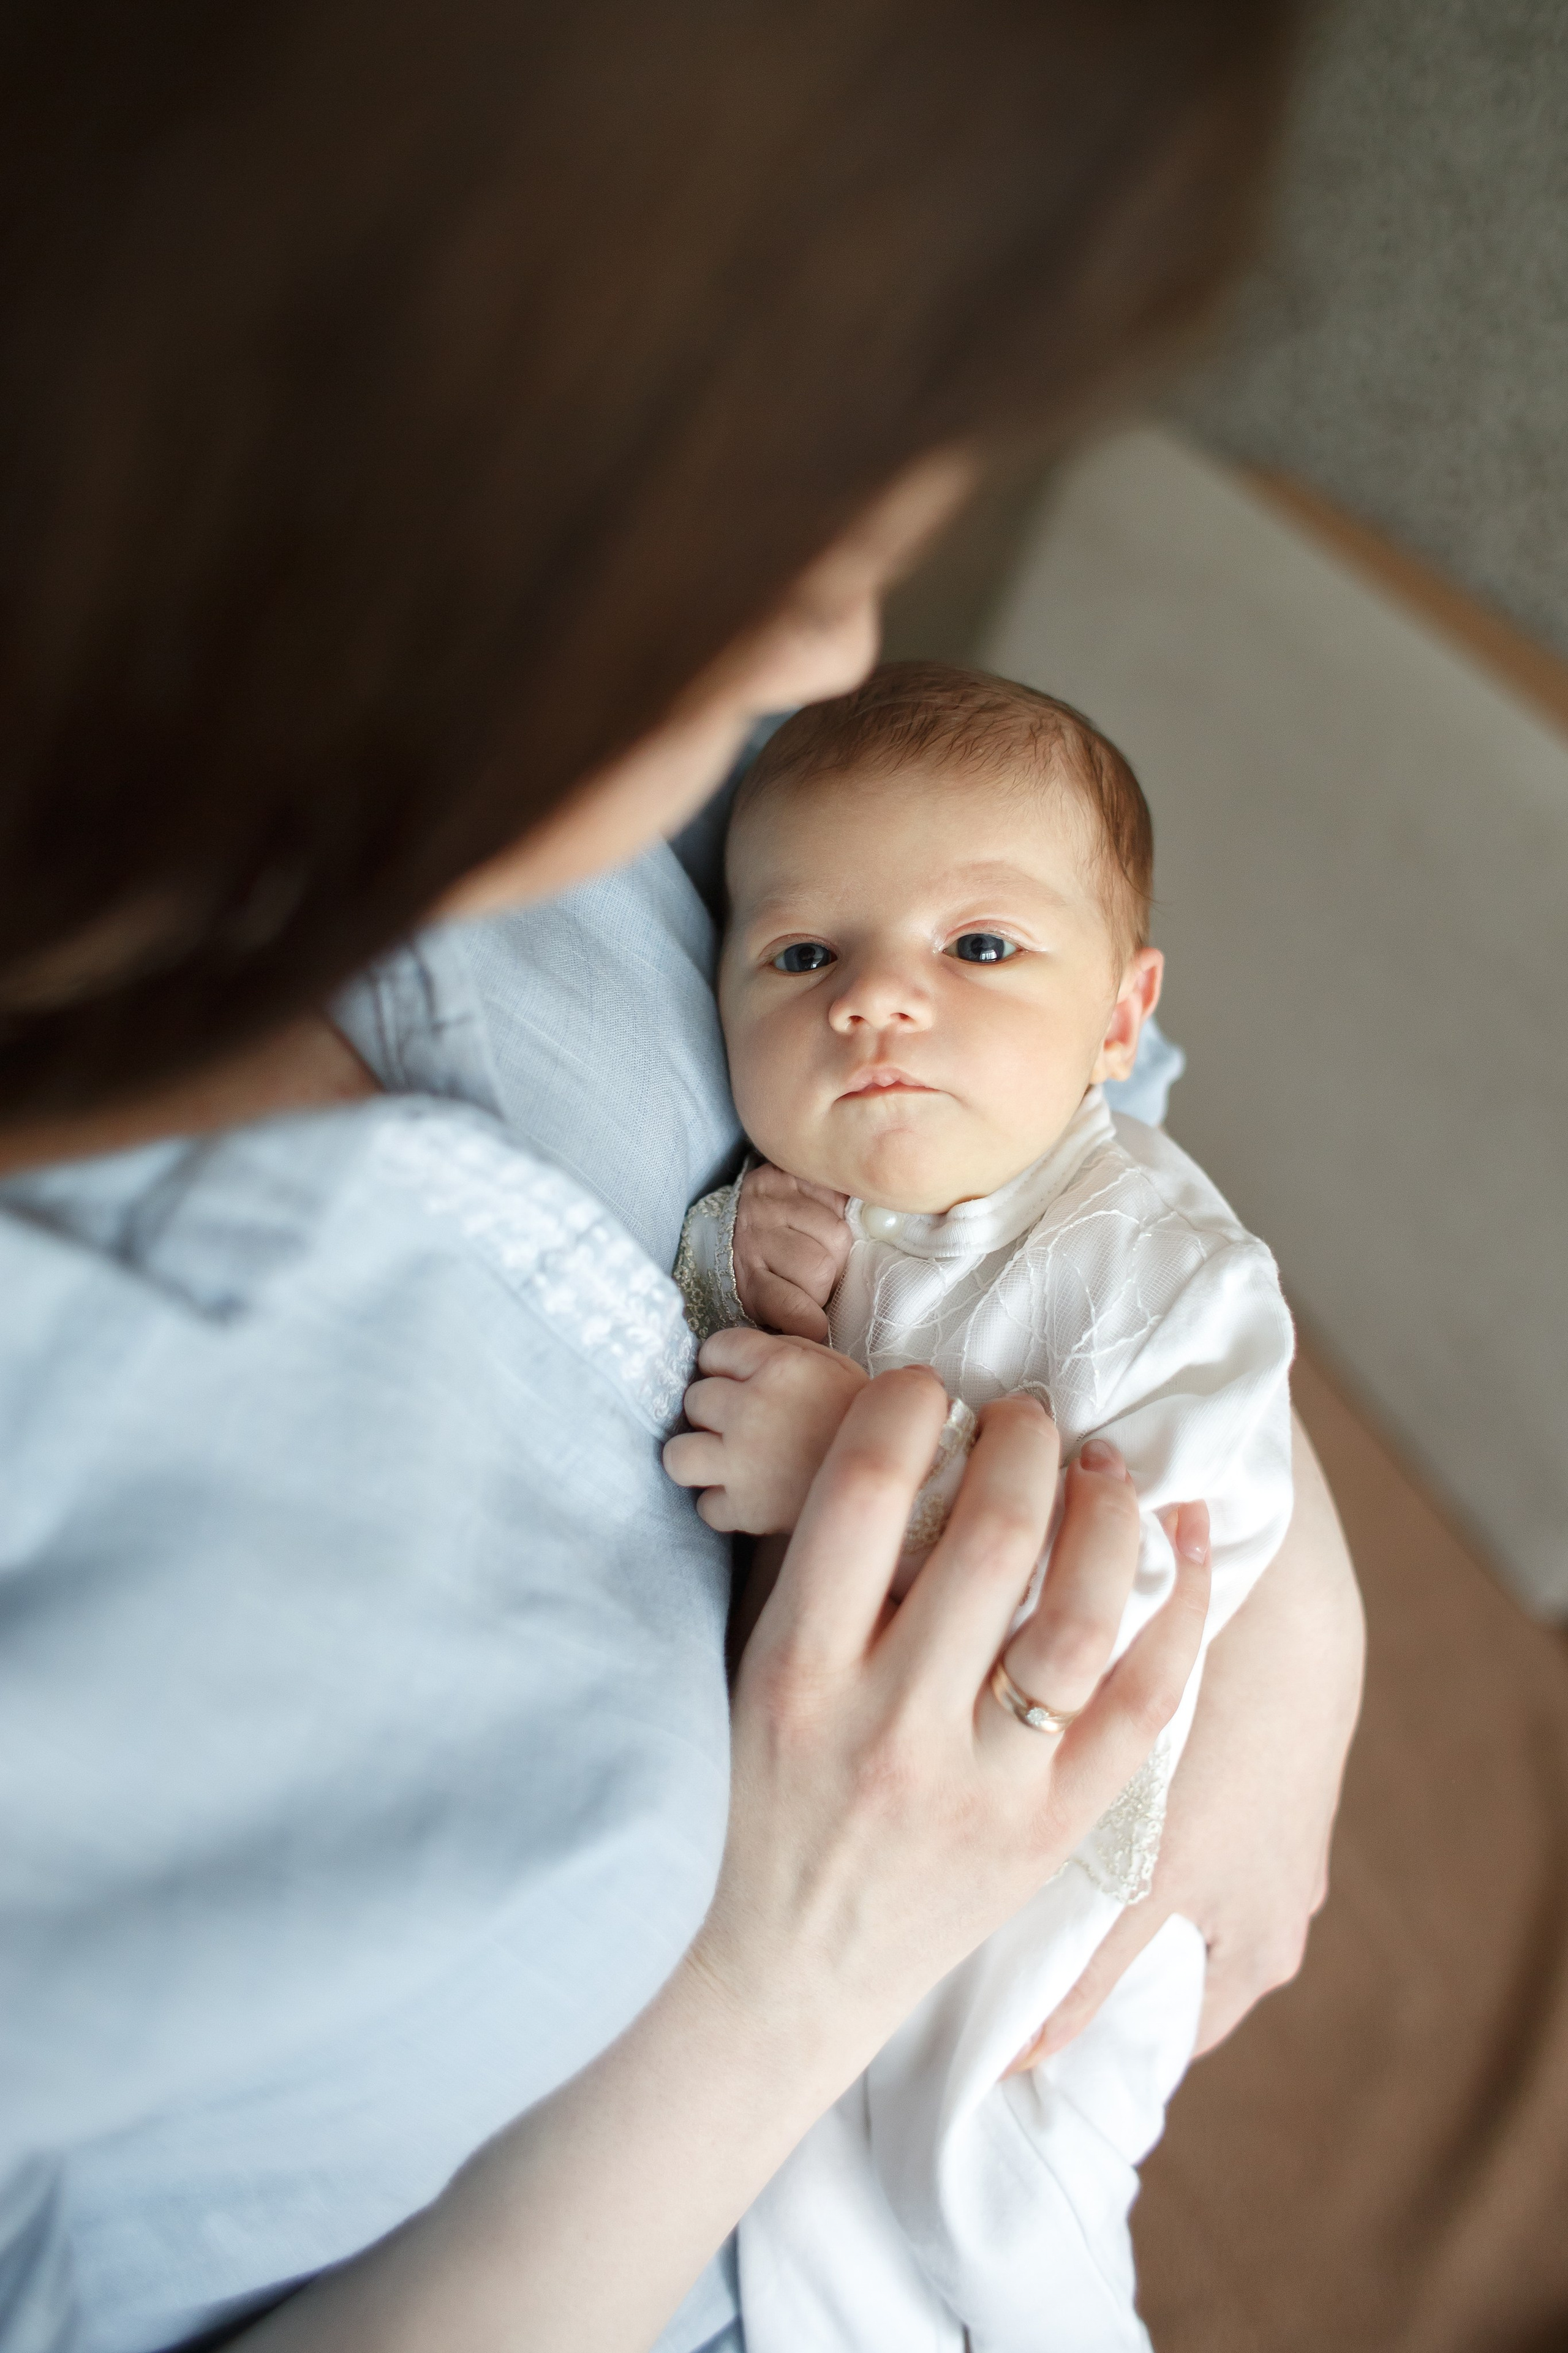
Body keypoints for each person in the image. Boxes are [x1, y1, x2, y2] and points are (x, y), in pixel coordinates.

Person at [0, 5, 1362, 2350]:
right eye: (790, 514)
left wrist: (1303, 1650)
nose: (832, 644)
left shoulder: (595, 776)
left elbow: (1092, 1159)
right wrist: (791, 1962)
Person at [668, 662, 1294, 2348]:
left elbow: (1159, 1593)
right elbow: (700, 1338)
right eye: (803, 956)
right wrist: (739, 1269)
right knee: (798, 2208)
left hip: (1061, 1881)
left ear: (1119, 1017)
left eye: (979, 948)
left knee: (992, 2199)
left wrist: (857, 1462)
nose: (874, 1002)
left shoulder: (1163, 1278)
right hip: (828, 1843)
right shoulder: (787, 1201)